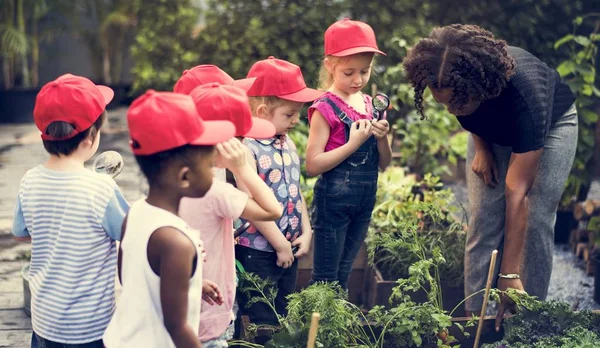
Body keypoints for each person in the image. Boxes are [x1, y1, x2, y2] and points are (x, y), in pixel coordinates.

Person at [402, 24, 577, 329]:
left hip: (551, 128)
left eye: (457, 103)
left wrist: (508, 274)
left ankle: (528, 318)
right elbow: (467, 114)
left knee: (536, 217)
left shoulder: (527, 94)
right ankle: (473, 319)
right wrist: (481, 147)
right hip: (492, 132)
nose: (452, 111)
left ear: (480, 86)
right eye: (444, 104)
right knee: (483, 215)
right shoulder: (452, 78)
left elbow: (517, 192)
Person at [102, 91, 235, 348]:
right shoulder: (176, 242)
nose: (213, 171)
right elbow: (177, 327)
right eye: (210, 166)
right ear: (185, 177)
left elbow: (129, 275)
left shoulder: (137, 212)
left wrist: (186, 279)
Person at [11, 74, 129, 348]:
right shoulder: (101, 188)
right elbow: (131, 231)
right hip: (90, 328)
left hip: (44, 320)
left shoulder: (30, 180)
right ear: (91, 137)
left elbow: (20, 233)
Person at [178, 83, 280, 347]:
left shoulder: (173, 178)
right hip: (209, 316)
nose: (245, 145)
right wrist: (242, 169)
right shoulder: (217, 191)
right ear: (225, 143)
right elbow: (273, 210)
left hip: (175, 305)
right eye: (241, 139)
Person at [235, 57, 323, 326]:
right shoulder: (246, 150)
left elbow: (295, 192)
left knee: (284, 313)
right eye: (289, 114)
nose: (296, 121)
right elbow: (250, 206)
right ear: (261, 111)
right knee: (263, 319)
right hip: (260, 251)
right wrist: (279, 244)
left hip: (289, 248)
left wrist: (306, 232)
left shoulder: (288, 144)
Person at [305, 18, 392, 289]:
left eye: (364, 72)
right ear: (330, 66)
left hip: (365, 200)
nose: (358, 80)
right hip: (334, 201)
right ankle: (317, 327)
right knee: (326, 277)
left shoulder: (370, 104)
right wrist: (352, 143)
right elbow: (312, 165)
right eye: (349, 72)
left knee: (345, 271)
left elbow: (385, 164)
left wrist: (383, 137)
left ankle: (337, 327)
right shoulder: (324, 108)